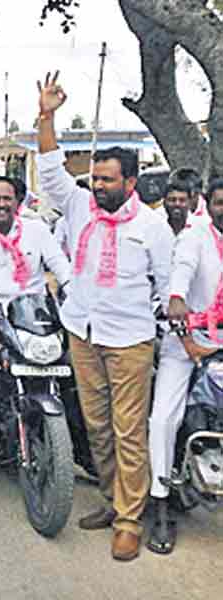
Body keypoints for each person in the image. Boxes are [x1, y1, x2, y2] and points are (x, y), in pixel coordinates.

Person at [36, 71, 174, 561]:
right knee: (96, 426)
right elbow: (50, 169)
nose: (96, 186)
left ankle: (130, 520)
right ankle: (113, 500)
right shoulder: (78, 206)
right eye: (94, 179)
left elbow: (166, 285)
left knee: (128, 430)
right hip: (82, 331)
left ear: (130, 183)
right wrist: (46, 117)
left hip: (130, 340)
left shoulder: (154, 227)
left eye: (106, 180)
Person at [0, 176, 72, 482]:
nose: (2, 204)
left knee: (72, 375)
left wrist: (72, 287)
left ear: (17, 202)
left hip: (33, 319)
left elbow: (59, 263)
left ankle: (77, 452)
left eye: (7, 198)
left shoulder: (37, 230)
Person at [147, 178, 223, 554]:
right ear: (206, 203)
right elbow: (182, 269)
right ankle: (160, 503)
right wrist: (176, 297)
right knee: (164, 419)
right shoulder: (195, 237)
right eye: (220, 202)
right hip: (185, 340)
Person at [157, 168, 209, 236]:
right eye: (172, 199)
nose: (177, 204)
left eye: (182, 199)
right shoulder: (158, 215)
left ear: (196, 193)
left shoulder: (210, 215)